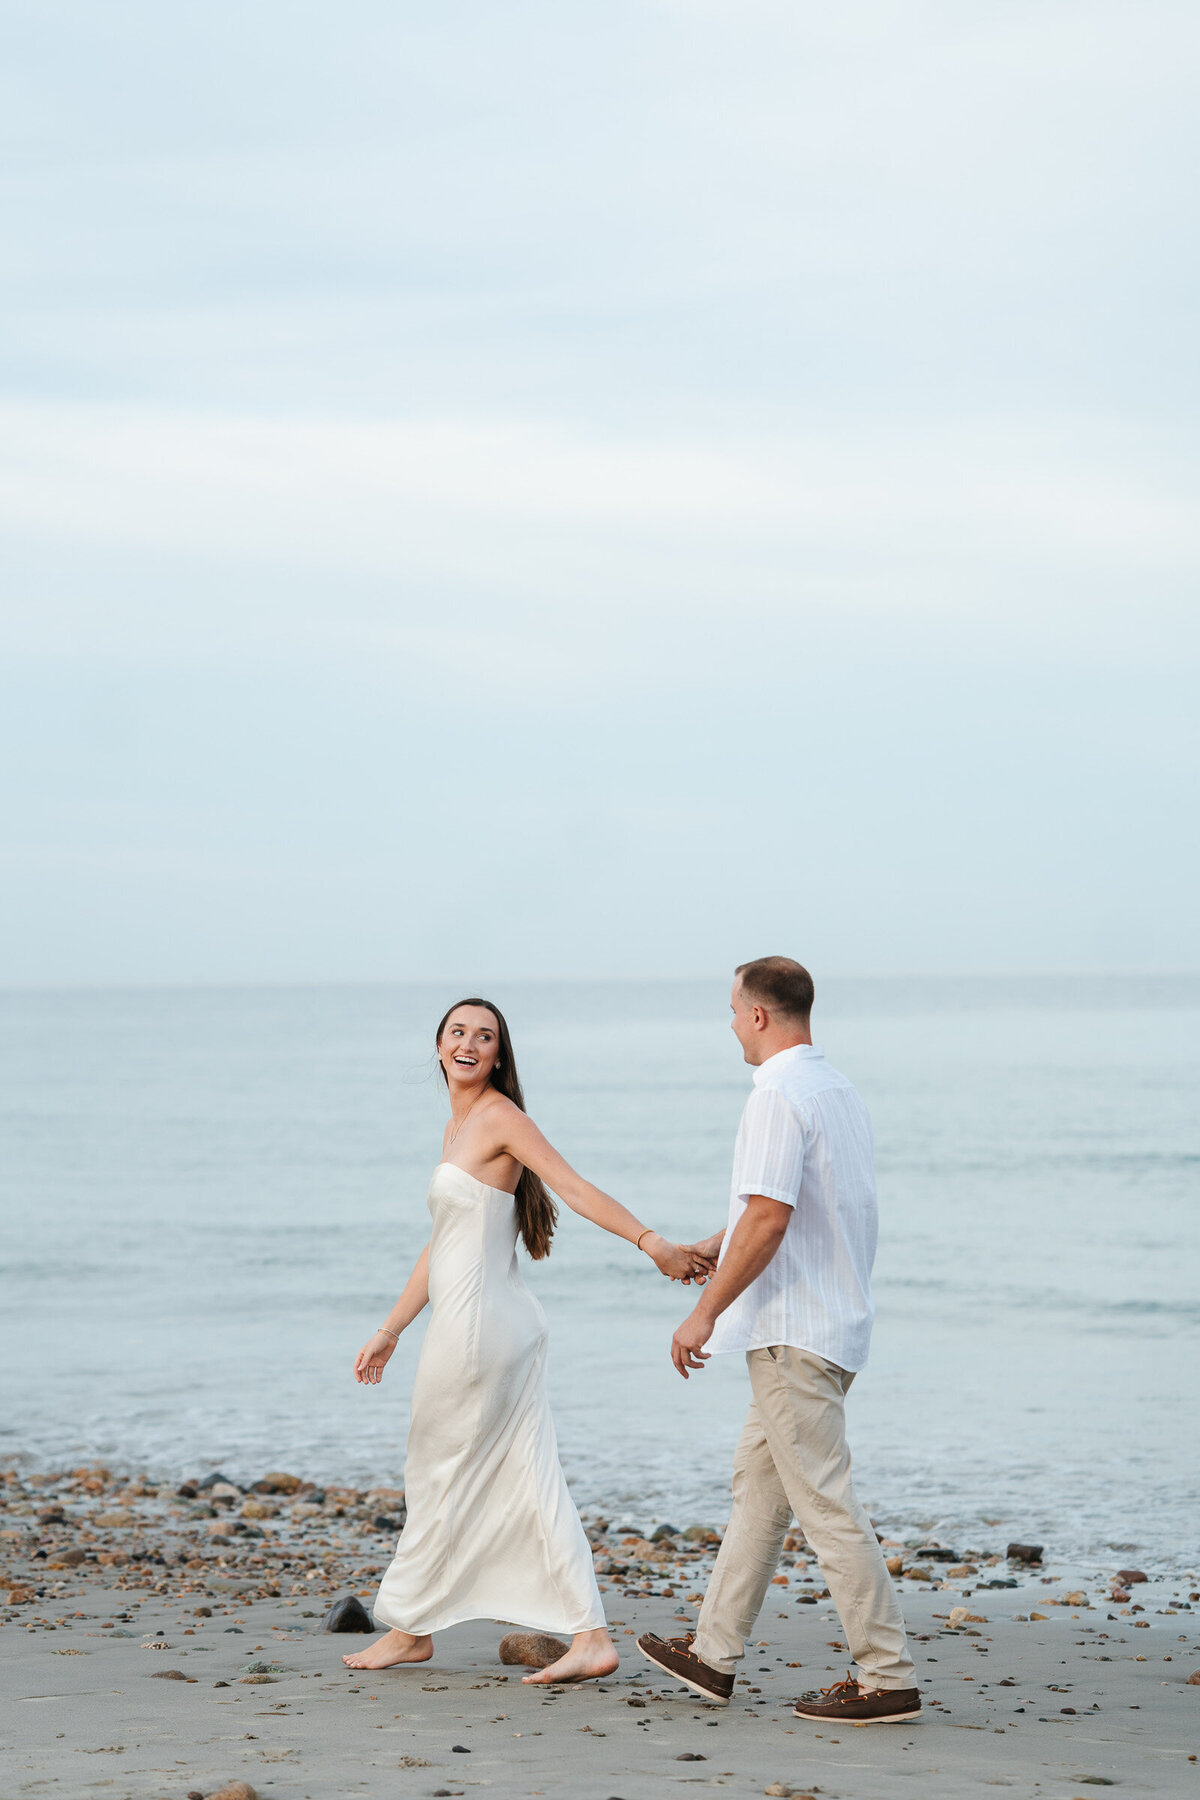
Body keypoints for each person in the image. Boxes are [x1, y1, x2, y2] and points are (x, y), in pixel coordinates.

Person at [343, 996, 714, 1683]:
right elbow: (443, 1244)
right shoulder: (458, 1128)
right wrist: (390, 1329)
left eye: (485, 1037)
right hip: (481, 1322)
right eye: (458, 1032)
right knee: (493, 1470)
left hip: (482, 1330)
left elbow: (572, 1186)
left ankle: (418, 1629)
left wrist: (650, 1242)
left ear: (499, 1056)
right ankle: (561, 1633)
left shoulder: (500, 1118)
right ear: (438, 1045)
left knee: (447, 1467)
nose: (469, 1043)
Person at [638, 957, 921, 1725]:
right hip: (830, 1325)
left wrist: (705, 1314)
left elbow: (771, 1216)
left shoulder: (774, 1093)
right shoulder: (834, 1089)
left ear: (760, 1015)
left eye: (732, 1010)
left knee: (825, 1504)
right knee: (759, 1491)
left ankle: (887, 1675)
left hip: (794, 1332)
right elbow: (782, 1201)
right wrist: (711, 1243)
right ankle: (713, 1654)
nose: (729, 1023)